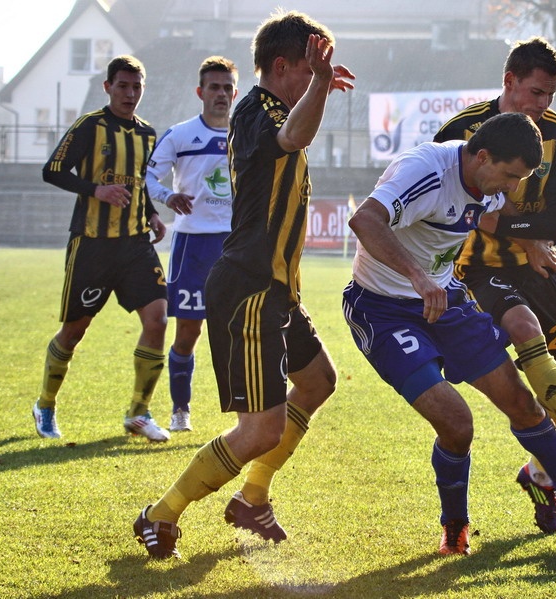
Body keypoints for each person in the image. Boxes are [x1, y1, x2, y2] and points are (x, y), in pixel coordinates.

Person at [134, 10, 355, 560]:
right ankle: (158, 514)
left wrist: (319, 84)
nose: (315, 79)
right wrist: (322, 88)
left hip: (274, 288)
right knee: (259, 429)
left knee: (317, 381)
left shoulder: (274, 108)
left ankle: (252, 497)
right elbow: (291, 135)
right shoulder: (258, 109)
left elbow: (294, 134)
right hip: (252, 287)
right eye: (309, 69)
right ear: (281, 67)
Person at [343, 112, 556, 555]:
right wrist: (419, 278)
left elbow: (494, 216)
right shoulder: (427, 173)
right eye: (511, 175)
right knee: (457, 423)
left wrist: (531, 241)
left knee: (521, 403)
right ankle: (455, 526)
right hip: (382, 309)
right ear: (482, 157)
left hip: (447, 301)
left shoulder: (489, 184)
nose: (513, 187)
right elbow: (365, 220)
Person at [434, 37, 556, 533]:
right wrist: (529, 238)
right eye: (535, 92)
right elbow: (450, 206)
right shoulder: (461, 130)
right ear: (509, 82)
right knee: (518, 345)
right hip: (476, 266)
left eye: (550, 96)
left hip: (540, 264)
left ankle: (540, 475)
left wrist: (534, 239)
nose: (542, 105)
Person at [34, 55, 170, 442]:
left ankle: (138, 412)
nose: (130, 94)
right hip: (92, 246)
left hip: (135, 246)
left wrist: (153, 215)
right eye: (123, 86)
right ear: (108, 87)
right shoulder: (89, 127)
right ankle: (45, 404)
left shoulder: (147, 134)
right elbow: (52, 170)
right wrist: (97, 190)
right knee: (74, 331)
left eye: (136, 87)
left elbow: (138, 184)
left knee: (158, 319)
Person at [146, 56, 239, 432]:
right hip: (192, 246)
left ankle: (244, 410)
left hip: (234, 245)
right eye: (214, 87)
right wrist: (168, 197)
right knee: (189, 331)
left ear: (235, 92)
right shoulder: (181, 134)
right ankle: (180, 408)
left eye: (227, 87)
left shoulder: (244, 135)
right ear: (200, 92)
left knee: (240, 329)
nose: (221, 94)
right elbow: (149, 177)